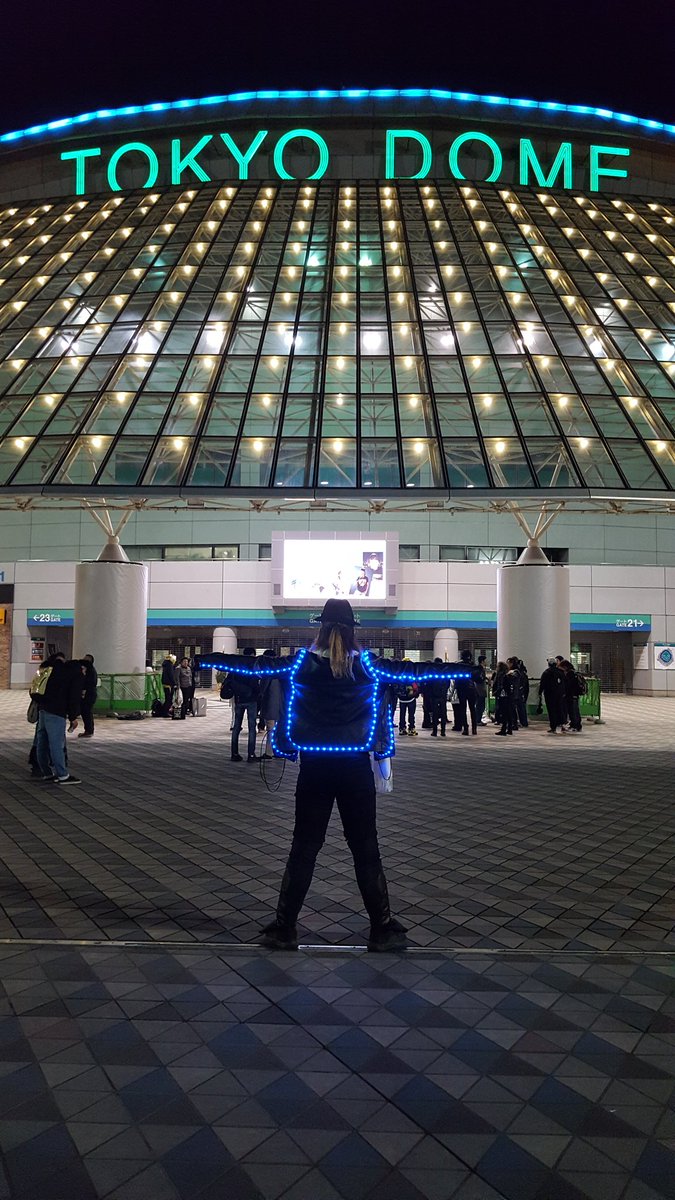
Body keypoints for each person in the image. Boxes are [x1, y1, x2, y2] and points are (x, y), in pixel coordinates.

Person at [197, 599, 467, 952]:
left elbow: (253, 666)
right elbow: (414, 672)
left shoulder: (300, 663)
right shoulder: (368, 665)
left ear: (320, 628)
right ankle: (382, 928)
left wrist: (208, 659)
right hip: (355, 769)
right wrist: (466, 671)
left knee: (304, 848)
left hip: (314, 768)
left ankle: (285, 928)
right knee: (366, 849)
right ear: (353, 629)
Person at [34, 654, 83, 785]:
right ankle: (62, 775)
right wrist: (73, 717)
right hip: (56, 712)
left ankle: (46, 772)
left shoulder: (48, 669)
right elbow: (73, 698)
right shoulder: (73, 675)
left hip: (43, 709)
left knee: (42, 742)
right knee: (56, 743)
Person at [231, 647, 260, 762]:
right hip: (251, 700)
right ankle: (251, 755)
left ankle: (234, 753)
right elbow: (256, 685)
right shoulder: (253, 667)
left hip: (239, 700)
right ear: (252, 655)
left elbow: (231, 681)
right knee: (252, 728)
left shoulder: (236, 667)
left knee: (236, 727)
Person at [259, 648, 282, 757]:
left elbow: (262, 690)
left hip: (270, 704)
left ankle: (269, 753)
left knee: (270, 729)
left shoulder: (268, 673)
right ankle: (277, 751)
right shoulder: (282, 671)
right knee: (277, 730)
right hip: (280, 706)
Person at [538, 658, 568, 733]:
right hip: (560, 694)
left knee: (551, 711)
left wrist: (540, 692)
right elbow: (565, 683)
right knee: (560, 709)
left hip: (549, 694)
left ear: (549, 664)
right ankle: (562, 724)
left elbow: (542, 683)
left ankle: (553, 727)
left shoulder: (546, 672)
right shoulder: (560, 672)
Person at [456, 649, 481, 735]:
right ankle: (474, 728)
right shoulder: (473, 665)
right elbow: (477, 678)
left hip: (461, 689)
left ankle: (465, 728)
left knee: (463, 709)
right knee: (472, 709)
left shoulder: (459, 665)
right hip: (471, 689)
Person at [495, 658, 520, 735]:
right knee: (509, 713)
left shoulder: (501, 675)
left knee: (504, 713)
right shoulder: (508, 674)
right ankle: (509, 729)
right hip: (510, 696)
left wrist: (496, 692)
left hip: (503, 696)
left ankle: (503, 729)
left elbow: (502, 686)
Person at [78, 653, 98, 738]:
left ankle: (89, 730)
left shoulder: (90, 671)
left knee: (86, 712)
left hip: (89, 694)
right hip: (88, 694)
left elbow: (89, 683)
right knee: (85, 712)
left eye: (85, 660)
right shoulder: (88, 670)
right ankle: (88, 730)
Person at [426, 661, 448, 736]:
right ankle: (443, 731)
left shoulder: (432, 672)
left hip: (434, 696)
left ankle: (434, 731)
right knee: (443, 713)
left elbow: (428, 684)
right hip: (442, 696)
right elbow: (447, 684)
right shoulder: (445, 672)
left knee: (435, 714)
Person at [395, 666, 418, 735]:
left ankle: (402, 728)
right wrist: (415, 695)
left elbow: (396, 688)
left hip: (402, 700)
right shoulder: (412, 679)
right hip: (411, 699)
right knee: (411, 715)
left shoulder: (399, 679)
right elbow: (416, 688)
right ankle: (411, 728)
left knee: (402, 714)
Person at [561, 660, 583, 732]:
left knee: (572, 711)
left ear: (565, 667)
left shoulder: (570, 674)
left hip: (571, 695)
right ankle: (577, 725)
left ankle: (575, 726)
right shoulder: (574, 672)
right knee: (575, 710)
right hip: (575, 695)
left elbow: (569, 685)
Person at [515, 659, 529, 729]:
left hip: (520, 692)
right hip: (523, 692)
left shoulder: (520, 673)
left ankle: (523, 722)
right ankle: (524, 722)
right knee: (522, 708)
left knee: (520, 708)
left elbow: (521, 684)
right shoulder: (524, 672)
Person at [475, 656, 488, 725]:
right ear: (482, 661)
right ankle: (478, 720)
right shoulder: (480, 669)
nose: (486, 662)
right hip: (480, 689)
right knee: (480, 705)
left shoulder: (479, 668)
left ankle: (478, 719)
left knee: (480, 705)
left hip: (479, 688)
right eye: (485, 660)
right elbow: (480, 678)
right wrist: (485, 679)